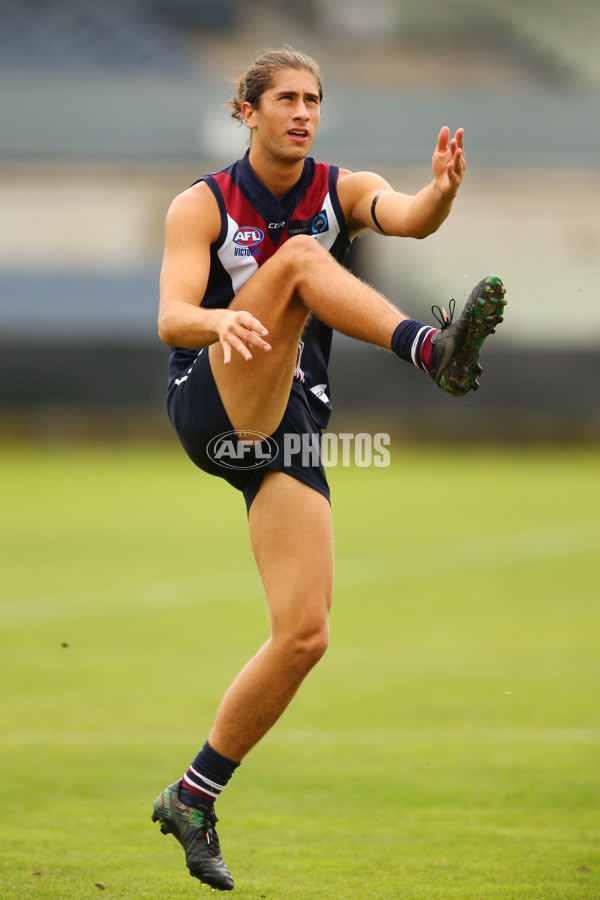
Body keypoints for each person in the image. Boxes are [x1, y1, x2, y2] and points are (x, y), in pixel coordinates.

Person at [151, 46, 506, 891]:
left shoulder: (338, 187)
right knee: (308, 262)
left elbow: (406, 214)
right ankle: (433, 349)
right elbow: (170, 316)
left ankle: (193, 795)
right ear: (248, 111)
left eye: (313, 98)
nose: (303, 111)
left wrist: (442, 195)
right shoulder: (200, 205)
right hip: (215, 399)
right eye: (285, 98)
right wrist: (217, 328)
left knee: (305, 634)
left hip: (291, 424)